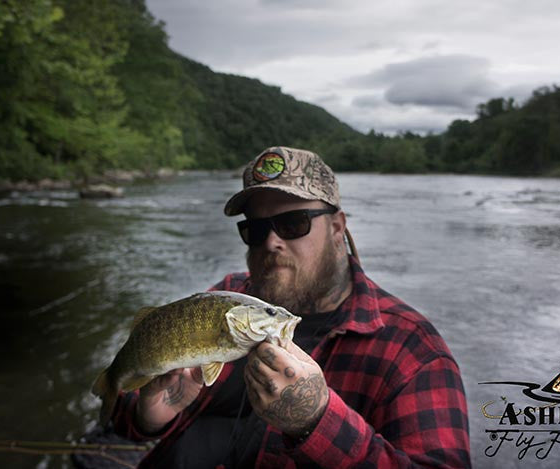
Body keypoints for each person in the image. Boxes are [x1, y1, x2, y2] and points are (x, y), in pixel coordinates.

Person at [111, 146, 471, 468]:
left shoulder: (412, 350)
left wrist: (316, 420)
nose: (271, 242)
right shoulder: (227, 297)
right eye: (255, 229)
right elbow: (124, 419)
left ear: (336, 227)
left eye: (292, 223)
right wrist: (148, 419)